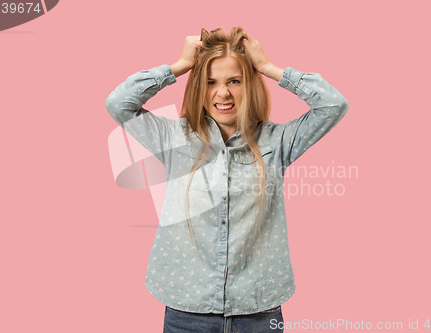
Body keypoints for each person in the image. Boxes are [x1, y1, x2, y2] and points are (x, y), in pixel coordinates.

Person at [105, 27, 349, 333]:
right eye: (211, 82)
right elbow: (119, 103)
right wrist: (178, 66)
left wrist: (268, 68)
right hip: (187, 311)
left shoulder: (277, 141)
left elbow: (332, 105)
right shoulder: (175, 139)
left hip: (258, 311)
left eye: (235, 80)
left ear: (250, 85)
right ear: (198, 88)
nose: (223, 93)